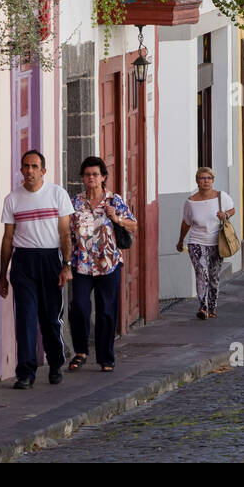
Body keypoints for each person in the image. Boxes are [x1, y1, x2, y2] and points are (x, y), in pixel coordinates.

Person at [0, 150, 73, 389]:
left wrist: (66, 265)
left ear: (43, 171)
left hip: (50, 260)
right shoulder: (12, 200)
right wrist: (3, 274)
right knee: (25, 319)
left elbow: (65, 233)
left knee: (51, 318)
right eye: (26, 166)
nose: (29, 171)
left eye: (34, 167)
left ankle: (55, 363)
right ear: (21, 169)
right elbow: (8, 238)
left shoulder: (57, 194)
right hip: (23, 262)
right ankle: (25, 373)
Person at [68, 157, 137, 373]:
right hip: (82, 264)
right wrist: (66, 261)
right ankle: (81, 351)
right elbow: (66, 232)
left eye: (95, 174)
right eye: (87, 174)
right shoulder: (75, 202)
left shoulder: (114, 200)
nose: (91, 178)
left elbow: (133, 226)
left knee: (106, 311)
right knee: (79, 307)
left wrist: (116, 219)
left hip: (108, 264)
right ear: (83, 177)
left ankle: (106, 356)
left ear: (103, 177)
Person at [176, 167, 237, 319]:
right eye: (202, 178)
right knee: (201, 273)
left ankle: (212, 307)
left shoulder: (221, 197)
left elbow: (232, 210)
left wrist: (225, 215)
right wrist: (181, 240)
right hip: (196, 242)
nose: (206, 181)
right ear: (197, 181)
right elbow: (186, 223)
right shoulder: (191, 202)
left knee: (213, 276)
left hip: (217, 242)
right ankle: (203, 307)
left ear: (213, 180)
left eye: (209, 178)